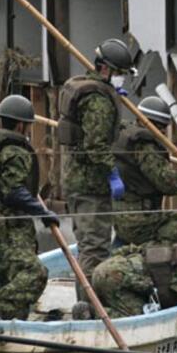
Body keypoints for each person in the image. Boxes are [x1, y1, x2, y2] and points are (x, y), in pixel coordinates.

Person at [0, 94, 59, 320]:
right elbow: (13, 190)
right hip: (10, 228)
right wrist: (43, 213)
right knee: (35, 273)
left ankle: (5, 327)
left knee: (2, 278)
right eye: (28, 125)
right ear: (21, 124)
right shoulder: (16, 151)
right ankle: (0, 313)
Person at [58, 38, 134, 299]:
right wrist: (113, 173)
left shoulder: (86, 87)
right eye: (120, 74)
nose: (122, 79)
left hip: (75, 182)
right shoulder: (98, 100)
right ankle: (91, 308)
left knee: (87, 245)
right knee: (95, 249)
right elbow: (96, 144)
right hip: (90, 186)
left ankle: (87, 302)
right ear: (105, 70)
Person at [112, 96, 177, 249]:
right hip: (141, 221)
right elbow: (168, 183)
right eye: (161, 126)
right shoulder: (145, 146)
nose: (164, 132)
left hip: (121, 218)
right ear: (149, 123)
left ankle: (118, 249)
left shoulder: (124, 135)